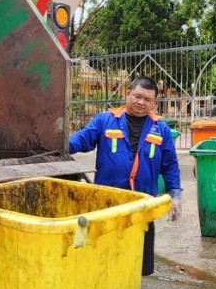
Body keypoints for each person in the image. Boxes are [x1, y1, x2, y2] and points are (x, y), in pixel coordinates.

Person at [69, 76, 182, 276]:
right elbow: (81, 140)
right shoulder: (105, 121)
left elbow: (170, 165)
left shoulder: (161, 129)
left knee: (139, 266)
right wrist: (57, 141)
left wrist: (176, 195)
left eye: (147, 99)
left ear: (154, 103)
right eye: (137, 96)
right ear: (127, 94)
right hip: (108, 206)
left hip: (142, 207)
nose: (141, 102)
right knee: (106, 261)